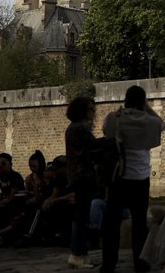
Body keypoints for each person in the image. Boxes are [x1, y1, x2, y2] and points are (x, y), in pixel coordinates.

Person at [100, 85, 165, 273]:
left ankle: (109, 263)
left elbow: (106, 131)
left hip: (118, 177)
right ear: (142, 102)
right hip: (141, 178)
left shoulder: (115, 119)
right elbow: (161, 124)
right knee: (139, 223)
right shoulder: (149, 122)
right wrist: (148, 107)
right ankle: (140, 262)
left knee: (112, 223)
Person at [65, 96, 109, 269]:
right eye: (91, 109)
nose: (93, 112)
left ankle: (82, 255)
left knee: (82, 217)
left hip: (79, 177)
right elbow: (92, 147)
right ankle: (76, 253)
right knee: (81, 217)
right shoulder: (79, 129)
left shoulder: (74, 128)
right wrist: (110, 140)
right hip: (83, 177)